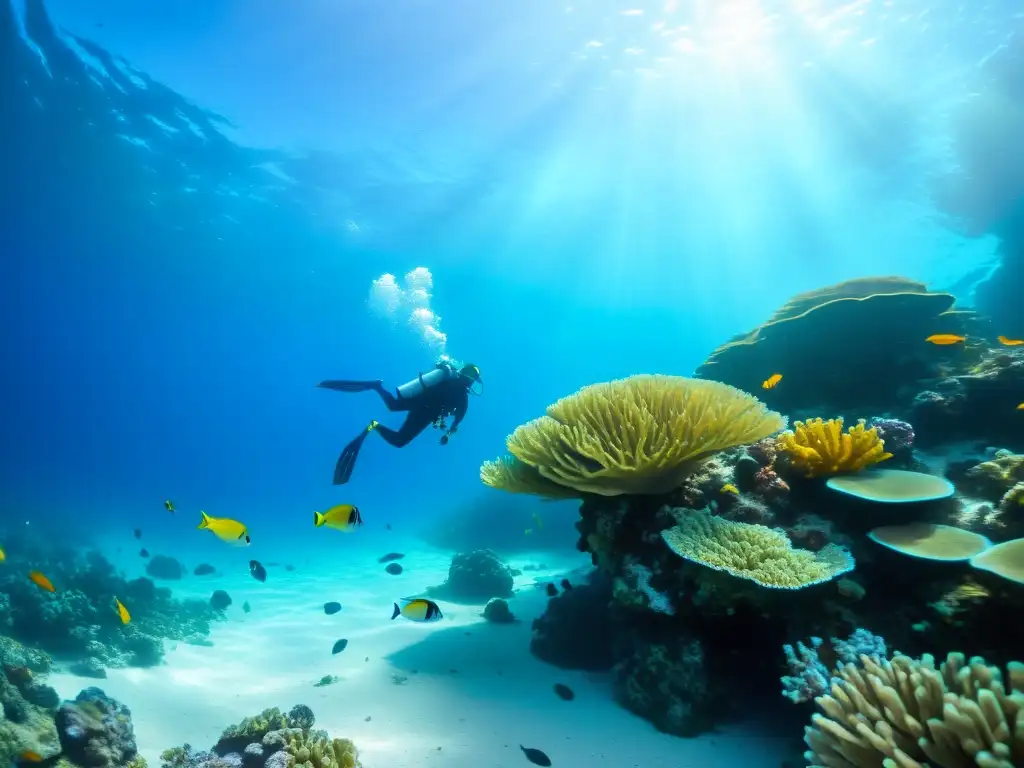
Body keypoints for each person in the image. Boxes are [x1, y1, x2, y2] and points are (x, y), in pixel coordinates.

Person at [318, 360, 483, 484]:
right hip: (425, 414)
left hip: (419, 402)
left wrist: (448, 433)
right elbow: (457, 421)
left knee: (392, 406)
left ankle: (377, 386)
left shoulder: (450, 383)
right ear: (473, 381)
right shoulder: (462, 398)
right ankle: (374, 424)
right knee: (399, 441)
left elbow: (456, 420)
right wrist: (447, 435)